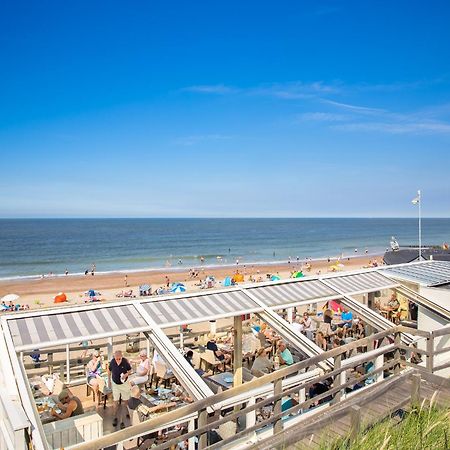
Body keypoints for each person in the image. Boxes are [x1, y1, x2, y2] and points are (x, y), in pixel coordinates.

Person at [108, 350, 132, 429]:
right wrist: (109, 381)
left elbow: (130, 370)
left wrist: (126, 375)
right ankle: (115, 417)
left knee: (125, 402)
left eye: (119, 359)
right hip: (115, 384)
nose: (118, 360)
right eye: (116, 359)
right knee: (115, 401)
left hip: (124, 384)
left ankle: (124, 418)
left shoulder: (125, 362)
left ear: (121, 357)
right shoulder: (112, 362)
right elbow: (109, 370)